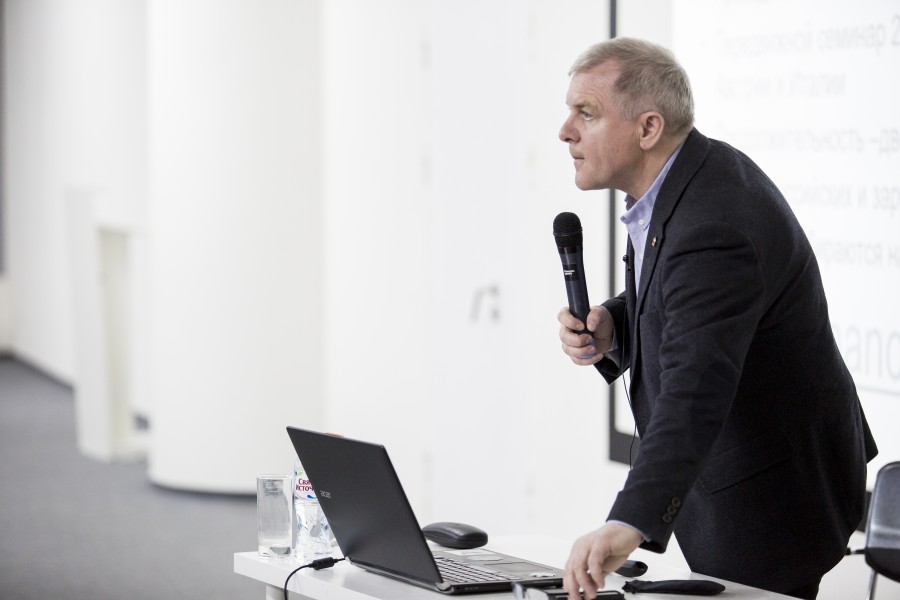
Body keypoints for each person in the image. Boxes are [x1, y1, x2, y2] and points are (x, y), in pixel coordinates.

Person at [556, 38, 878, 600]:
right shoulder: (685, 181)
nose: (565, 132)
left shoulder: (713, 221)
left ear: (648, 128)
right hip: (749, 475)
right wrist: (616, 322)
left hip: (771, 501)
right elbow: (689, 301)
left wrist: (630, 519)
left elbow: (697, 383)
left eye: (586, 113)